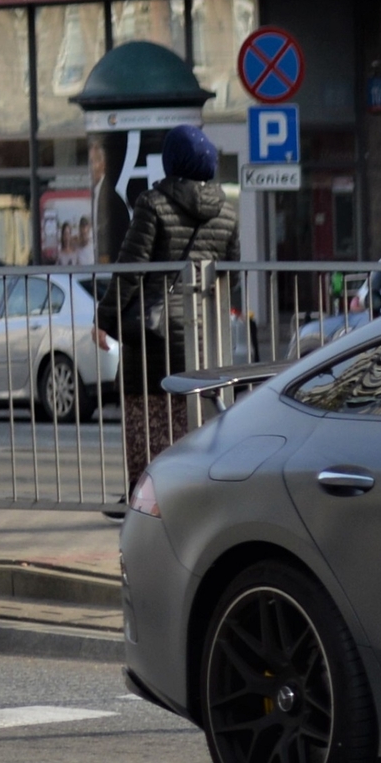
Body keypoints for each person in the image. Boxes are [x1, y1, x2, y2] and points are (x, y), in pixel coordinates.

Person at [113, 124, 237, 499]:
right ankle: (188, 493)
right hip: (203, 335)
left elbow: (130, 268)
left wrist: (105, 320)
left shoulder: (153, 205)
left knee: (147, 417)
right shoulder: (227, 213)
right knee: (192, 419)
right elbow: (232, 276)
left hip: (153, 336)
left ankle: (144, 495)